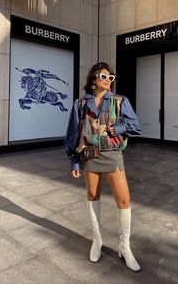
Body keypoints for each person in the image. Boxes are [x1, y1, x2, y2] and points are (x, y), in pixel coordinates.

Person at [65, 62, 141, 272]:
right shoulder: (80, 104)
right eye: (104, 76)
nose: (108, 80)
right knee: (92, 195)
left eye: (111, 77)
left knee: (124, 200)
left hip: (112, 154)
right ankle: (97, 240)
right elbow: (72, 133)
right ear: (93, 80)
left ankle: (124, 247)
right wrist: (73, 160)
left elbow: (134, 125)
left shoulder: (120, 101)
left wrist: (116, 127)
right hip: (89, 155)